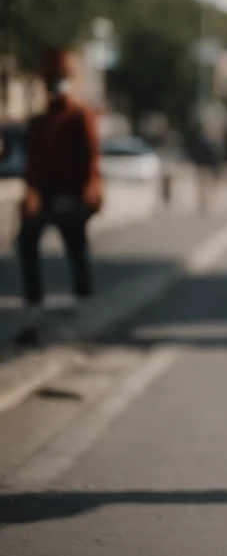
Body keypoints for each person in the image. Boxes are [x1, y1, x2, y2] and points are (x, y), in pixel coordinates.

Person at [15, 47, 104, 346]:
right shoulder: (39, 123)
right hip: (48, 194)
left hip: (73, 195)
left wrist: (91, 187)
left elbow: (92, 155)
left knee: (75, 247)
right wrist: (31, 192)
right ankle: (33, 313)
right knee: (26, 242)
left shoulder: (81, 116)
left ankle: (84, 310)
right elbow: (33, 165)